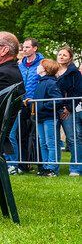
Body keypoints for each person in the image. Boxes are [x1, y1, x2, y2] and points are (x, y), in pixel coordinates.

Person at [8, 38, 44, 173]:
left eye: (28, 47)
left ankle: (41, 165)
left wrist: (35, 98)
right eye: (23, 47)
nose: (24, 50)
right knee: (20, 134)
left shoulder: (42, 63)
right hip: (21, 103)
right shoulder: (20, 65)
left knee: (36, 135)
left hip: (36, 103)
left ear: (35, 48)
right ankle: (23, 165)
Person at [34, 59, 63, 177]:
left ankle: (52, 168)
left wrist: (43, 106)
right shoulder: (40, 82)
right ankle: (46, 166)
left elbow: (58, 99)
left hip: (49, 117)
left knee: (51, 143)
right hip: (40, 117)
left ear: (45, 69)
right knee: (43, 143)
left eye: (40, 65)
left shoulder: (51, 83)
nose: (37, 67)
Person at [56, 46, 82, 176]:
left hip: (69, 110)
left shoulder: (74, 73)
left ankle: (75, 168)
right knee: (53, 140)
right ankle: (53, 167)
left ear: (70, 58)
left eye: (64, 55)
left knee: (72, 138)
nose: (61, 56)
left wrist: (69, 108)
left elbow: (78, 92)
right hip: (52, 110)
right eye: (59, 54)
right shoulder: (52, 71)